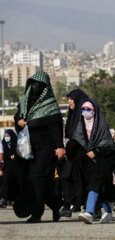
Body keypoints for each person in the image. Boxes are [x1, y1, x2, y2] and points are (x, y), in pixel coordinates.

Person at [14, 71, 65, 223]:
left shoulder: (50, 106)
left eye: (39, 84)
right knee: (35, 180)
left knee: (37, 178)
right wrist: (19, 122)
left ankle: (37, 213)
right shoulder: (24, 103)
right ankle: (56, 205)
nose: (36, 87)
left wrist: (60, 147)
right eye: (33, 83)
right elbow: (18, 118)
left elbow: (56, 128)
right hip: (28, 148)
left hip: (46, 149)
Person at [72, 100, 115, 224]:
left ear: (94, 111)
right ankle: (108, 212)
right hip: (86, 162)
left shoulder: (101, 126)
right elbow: (77, 142)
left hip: (102, 160)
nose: (85, 112)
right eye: (83, 109)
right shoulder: (80, 126)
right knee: (100, 187)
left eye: (89, 109)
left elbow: (108, 145)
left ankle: (89, 213)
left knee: (95, 182)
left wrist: (96, 152)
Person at [60, 89, 89, 217]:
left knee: (86, 181)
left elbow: (83, 133)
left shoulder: (84, 113)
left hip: (83, 153)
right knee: (67, 178)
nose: (69, 101)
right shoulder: (72, 115)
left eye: (71, 99)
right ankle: (67, 205)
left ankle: (92, 208)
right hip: (72, 154)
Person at [0, 130, 18, 207]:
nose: (6, 137)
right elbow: (2, 154)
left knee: (15, 182)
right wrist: (9, 156)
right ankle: (5, 199)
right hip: (6, 166)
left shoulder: (16, 142)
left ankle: (12, 199)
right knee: (6, 182)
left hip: (16, 166)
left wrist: (15, 155)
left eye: (8, 136)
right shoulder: (3, 143)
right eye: (5, 136)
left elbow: (19, 152)